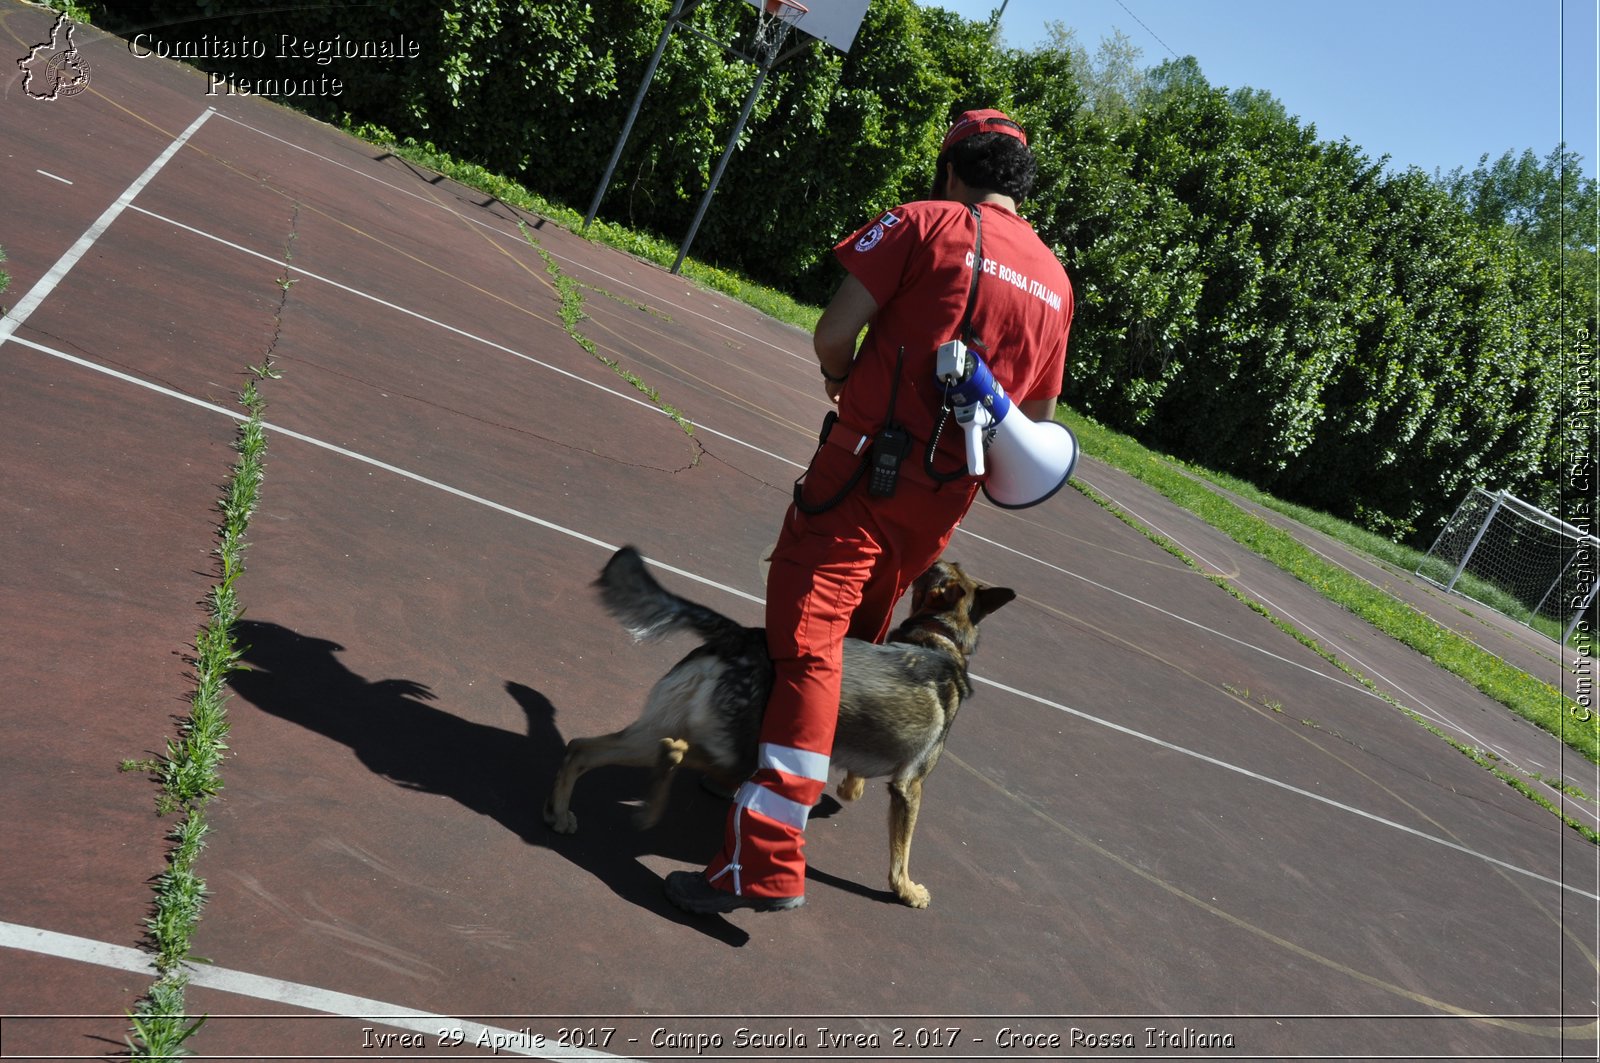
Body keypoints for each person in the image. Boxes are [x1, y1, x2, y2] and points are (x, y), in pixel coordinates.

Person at [664, 108, 1073, 914]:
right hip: (940, 506)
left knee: (809, 645)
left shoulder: (926, 223)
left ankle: (766, 860)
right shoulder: (1057, 285)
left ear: (953, 170)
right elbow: (1041, 416)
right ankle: (800, 781)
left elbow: (832, 333)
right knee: (857, 644)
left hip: (861, 480)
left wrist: (843, 371)